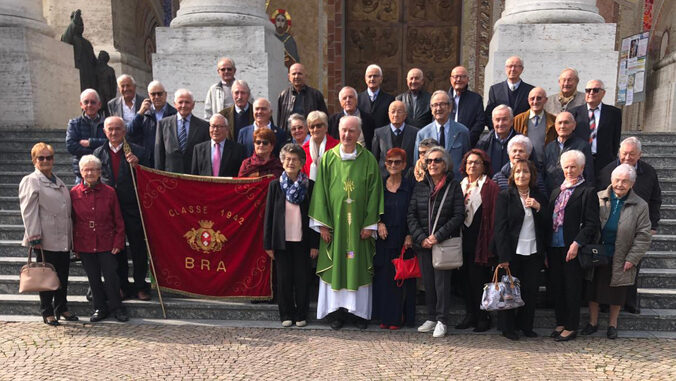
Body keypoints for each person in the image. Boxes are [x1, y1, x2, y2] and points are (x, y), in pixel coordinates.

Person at [308, 115, 384, 330]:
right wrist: (322, 224)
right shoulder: (328, 159)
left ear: (359, 133)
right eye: (344, 130)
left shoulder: (368, 159)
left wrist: (370, 225)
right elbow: (320, 192)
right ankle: (337, 314)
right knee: (337, 266)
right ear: (338, 131)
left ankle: (359, 314)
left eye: (352, 131)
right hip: (335, 228)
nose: (347, 135)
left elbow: (374, 192)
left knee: (356, 264)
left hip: (360, 228)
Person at [581, 164, 652, 339]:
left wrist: (633, 258)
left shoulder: (640, 205)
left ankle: (612, 325)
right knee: (593, 289)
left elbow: (643, 235)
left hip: (621, 254)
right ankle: (593, 322)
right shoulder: (598, 198)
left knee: (617, 292)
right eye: (617, 180)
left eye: (625, 181)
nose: (620, 184)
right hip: (598, 252)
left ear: (632, 184)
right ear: (611, 180)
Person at [597, 137, 661, 313]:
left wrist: (653, 225)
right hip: (614, 225)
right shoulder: (607, 171)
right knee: (607, 269)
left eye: (632, 154)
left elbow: (655, 200)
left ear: (639, 155)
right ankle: (604, 302)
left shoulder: (649, 172)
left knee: (632, 265)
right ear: (619, 152)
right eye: (624, 153)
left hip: (638, 224)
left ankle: (629, 302)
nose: (627, 157)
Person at [407, 147, 465, 338]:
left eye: (437, 160)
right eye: (429, 161)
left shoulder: (453, 185)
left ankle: (442, 319)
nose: (432, 164)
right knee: (428, 283)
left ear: (445, 164)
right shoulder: (420, 186)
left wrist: (437, 236)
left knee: (442, 284)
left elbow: (458, 215)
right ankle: (431, 316)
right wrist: (421, 237)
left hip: (442, 243)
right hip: (423, 243)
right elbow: (411, 214)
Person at [18, 143, 77, 326]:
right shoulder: (31, 180)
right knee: (45, 276)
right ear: (34, 160)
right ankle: (47, 311)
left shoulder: (58, 181)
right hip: (45, 237)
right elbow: (28, 211)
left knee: (62, 275)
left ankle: (62, 307)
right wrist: (34, 236)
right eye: (41, 158)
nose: (45, 161)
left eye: (48, 157)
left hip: (63, 237)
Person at [93, 116, 150, 300]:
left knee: (138, 247)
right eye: (110, 129)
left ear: (124, 131)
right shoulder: (97, 153)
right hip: (109, 209)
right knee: (117, 249)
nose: (114, 132)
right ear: (104, 132)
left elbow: (149, 179)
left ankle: (141, 285)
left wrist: (138, 166)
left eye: (118, 129)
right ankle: (122, 286)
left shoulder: (138, 151)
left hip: (132, 207)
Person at [263, 144, 319, 328]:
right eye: (287, 159)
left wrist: (314, 244)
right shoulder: (275, 186)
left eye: (295, 159)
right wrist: (268, 245)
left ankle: (301, 314)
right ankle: (286, 314)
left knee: (302, 279)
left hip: (303, 242)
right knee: (284, 280)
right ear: (282, 161)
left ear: (302, 162)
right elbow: (269, 217)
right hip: (281, 242)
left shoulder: (310, 186)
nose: (291, 162)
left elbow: (314, 216)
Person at [547, 150, 600, 341]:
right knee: (557, 287)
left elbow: (592, 223)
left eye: (573, 167)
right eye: (566, 167)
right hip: (554, 245)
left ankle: (571, 326)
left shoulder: (588, 191)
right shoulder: (556, 190)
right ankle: (560, 322)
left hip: (572, 246)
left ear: (582, 168)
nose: (569, 170)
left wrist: (577, 243)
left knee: (572, 287)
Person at [494, 160, 549, 340]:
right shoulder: (505, 196)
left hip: (533, 251)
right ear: (512, 175)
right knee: (509, 291)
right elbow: (500, 228)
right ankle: (507, 327)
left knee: (530, 291)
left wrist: (539, 208)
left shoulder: (539, 196)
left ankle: (526, 326)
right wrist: (503, 256)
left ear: (531, 176)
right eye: (518, 172)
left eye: (525, 172)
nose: (521, 175)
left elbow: (549, 223)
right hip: (512, 252)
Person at [71, 155, 128, 322]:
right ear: (81, 172)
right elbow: (72, 221)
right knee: (93, 278)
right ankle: (99, 308)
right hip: (85, 243)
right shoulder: (73, 193)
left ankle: (117, 307)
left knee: (111, 277)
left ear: (99, 172)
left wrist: (118, 241)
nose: (90, 173)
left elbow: (118, 219)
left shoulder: (110, 192)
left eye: (93, 169)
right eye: (86, 170)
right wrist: (75, 246)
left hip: (107, 242)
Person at [456, 149, 499, 332]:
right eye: (469, 162)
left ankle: (483, 316)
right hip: (461, 240)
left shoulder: (490, 187)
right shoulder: (460, 185)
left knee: (478, 280)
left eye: (476, 163)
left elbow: (494, 215)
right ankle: (470, 314)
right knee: (463, 280)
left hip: (480, 241)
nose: (472, 165)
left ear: (484, 166)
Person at [373, 148, 416, 330]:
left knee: (400, 280)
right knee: (384, 278)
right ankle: (384, 317)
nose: (393, 165)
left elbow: (414, 212)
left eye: (397, 162)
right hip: (383, 238)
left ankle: (398, 318)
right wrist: (378, 223)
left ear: (404, 165)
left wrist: (409, 234)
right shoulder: (379, 186)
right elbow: (372, 209)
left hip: (403, 239)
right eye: (390, 162)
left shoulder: (410, 187)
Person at [414, 90, 470, 180]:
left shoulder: (462, 131)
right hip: (431, 185)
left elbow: (467, 161)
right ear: (431, 109)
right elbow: (417, 163)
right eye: (435, 105)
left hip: (455, 183)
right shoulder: (422, 134)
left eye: (442, 104)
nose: (439, 108)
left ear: (450, 107)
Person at [571, 79, 622, 175]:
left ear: (603, 93)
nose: (591, 93)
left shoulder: (614, 113)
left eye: (595, 90)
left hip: (604, 162)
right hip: (580, 160)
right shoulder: (574, 113)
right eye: (588, 90)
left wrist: (613, 157)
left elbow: (616, 138)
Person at [155, 89, 210, 174]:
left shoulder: (204, 126)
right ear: (175, 104)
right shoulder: (163, 124)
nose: (183, 105)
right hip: (171, 177)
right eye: (180, 102)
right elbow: (159, 154)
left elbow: (205, 156)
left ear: (193, 105)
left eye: (187, 102)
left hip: (194, 176)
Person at [127, 80, 177, 167]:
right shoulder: (144, 113)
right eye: (153, 94)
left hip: (168, 160)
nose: (156, 97)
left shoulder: (174, 113)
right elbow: (130, 132)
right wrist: (140, 113)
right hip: (148, 160)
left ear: (165, 94)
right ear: (149, 95)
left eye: (159, 94)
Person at [543, 112, 594, 195]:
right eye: (559, 123)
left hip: (574, 197)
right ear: (555, 126)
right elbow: (544, 173)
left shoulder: (583, 146)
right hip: (551, 195)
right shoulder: (549, 147)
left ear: (574, 125)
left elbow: (589, 175)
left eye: (566, 122)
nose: (562, 126)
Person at [66, 89, 107, 183]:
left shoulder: (107, 124)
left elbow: (111, 143)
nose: (89, 105)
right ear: (81, 105)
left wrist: (90, 142)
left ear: (99, 105)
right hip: (82, 173)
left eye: (93, 102)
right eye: (86, 102)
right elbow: (71, 146)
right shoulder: (74, 124)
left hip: (103, 171)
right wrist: (97, 151)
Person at [485, 56, 534, 130]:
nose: (513, 69)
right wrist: (496, 131)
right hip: (501, 134)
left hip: (522, 134)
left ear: (522, 69)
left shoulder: (530, 90)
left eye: (516, 66)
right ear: (505, 68)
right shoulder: (495, 90)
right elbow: (489, 114)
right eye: (510, 66)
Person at [371, 100, 419, 176]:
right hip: (385, 178)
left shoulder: (415, 133)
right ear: (388, 114)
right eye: (393, 112)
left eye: (399, 112)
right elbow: (374, 158)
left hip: (407, 178)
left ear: (405, 115)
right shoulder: (379, 133)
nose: (396, 115)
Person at [277, 63, 328, 132]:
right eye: (294, 74)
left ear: (305, 76)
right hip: (289, 138)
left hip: (310, 136)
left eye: (300, 73)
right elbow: (280, 121)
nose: (296, 76)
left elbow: (324, 119)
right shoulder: (283, 96)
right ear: (289, 77)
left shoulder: (316, 95)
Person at [513, 87, 557, 167]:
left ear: (546, 100)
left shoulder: (554, 121)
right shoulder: (517, 120)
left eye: (539, 98)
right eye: (532, 99)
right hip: (524, 164)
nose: (535, 102)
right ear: (528, 100)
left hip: (546, 166)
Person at [448, 66, 487, 147]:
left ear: (468, 79)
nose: (458, 80)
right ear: (451, 79)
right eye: (456, 77)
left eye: (462, 77)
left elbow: (480, 122)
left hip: (469, 144)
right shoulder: (443, 98)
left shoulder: (476, 99)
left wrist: (467, 138)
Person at [328, 86, 376, 150]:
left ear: (356, 100)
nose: (348, 100)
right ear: (340, 102)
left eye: (350, 97)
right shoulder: (333, 121)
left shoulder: (368, 119)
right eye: (344, 98)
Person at [476, 104, 518, 175]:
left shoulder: (521, 143)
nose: (500, 123)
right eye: (497, 120)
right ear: (493, 122)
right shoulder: (483, 143)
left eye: (504, 119)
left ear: (511, 122)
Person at [301, 111, 338, 180]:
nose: (315, 129)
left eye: (318, 126)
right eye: (312, 126)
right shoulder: (303, 150)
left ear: (326, 127)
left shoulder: (336, 146)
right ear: (309, 129)